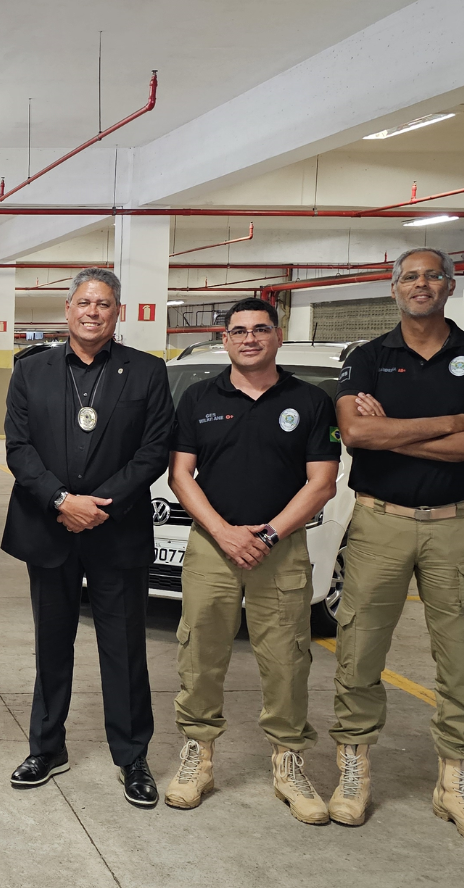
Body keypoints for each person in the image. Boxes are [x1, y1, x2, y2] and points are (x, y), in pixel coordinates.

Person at [330, 247, 464, 845]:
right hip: (379, 522)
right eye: (410, 276)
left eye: (433, 275)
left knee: (463, 659)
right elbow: (356, 433)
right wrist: (449, 423)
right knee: (358, 650)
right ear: (394, 288)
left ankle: (454, 783)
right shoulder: (366, 359)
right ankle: (353, 772)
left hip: (456, 524)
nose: (421, 284)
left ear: (451, 287)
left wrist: (394, 438)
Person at [1, 267, 174, 809]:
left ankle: (132, 756)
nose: (92, 312)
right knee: (52, 644)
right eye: (83, 302)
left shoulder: (146, 372)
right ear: (67, 309)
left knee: (123, 649)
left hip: (115, 530)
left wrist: (101, 505)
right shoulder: (31, 371)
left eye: (103, 303)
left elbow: (154, 449)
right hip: (47, 527)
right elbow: (20, 448)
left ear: (117, 312)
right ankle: (47, 747)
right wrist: (61, 500)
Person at [162, 298, 341, 821]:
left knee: (287, 657)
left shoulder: (309, 401)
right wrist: (223, 533)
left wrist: (265, 534)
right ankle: (198, 756)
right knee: (200, 653)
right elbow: (180, 476)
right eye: (238, 331)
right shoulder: (198, 397)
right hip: (210, 548)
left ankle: (288, 763)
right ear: (225, 340)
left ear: (277, 335)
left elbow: (322, 482)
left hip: (281, 550)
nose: (249, 339)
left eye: (260, 329)